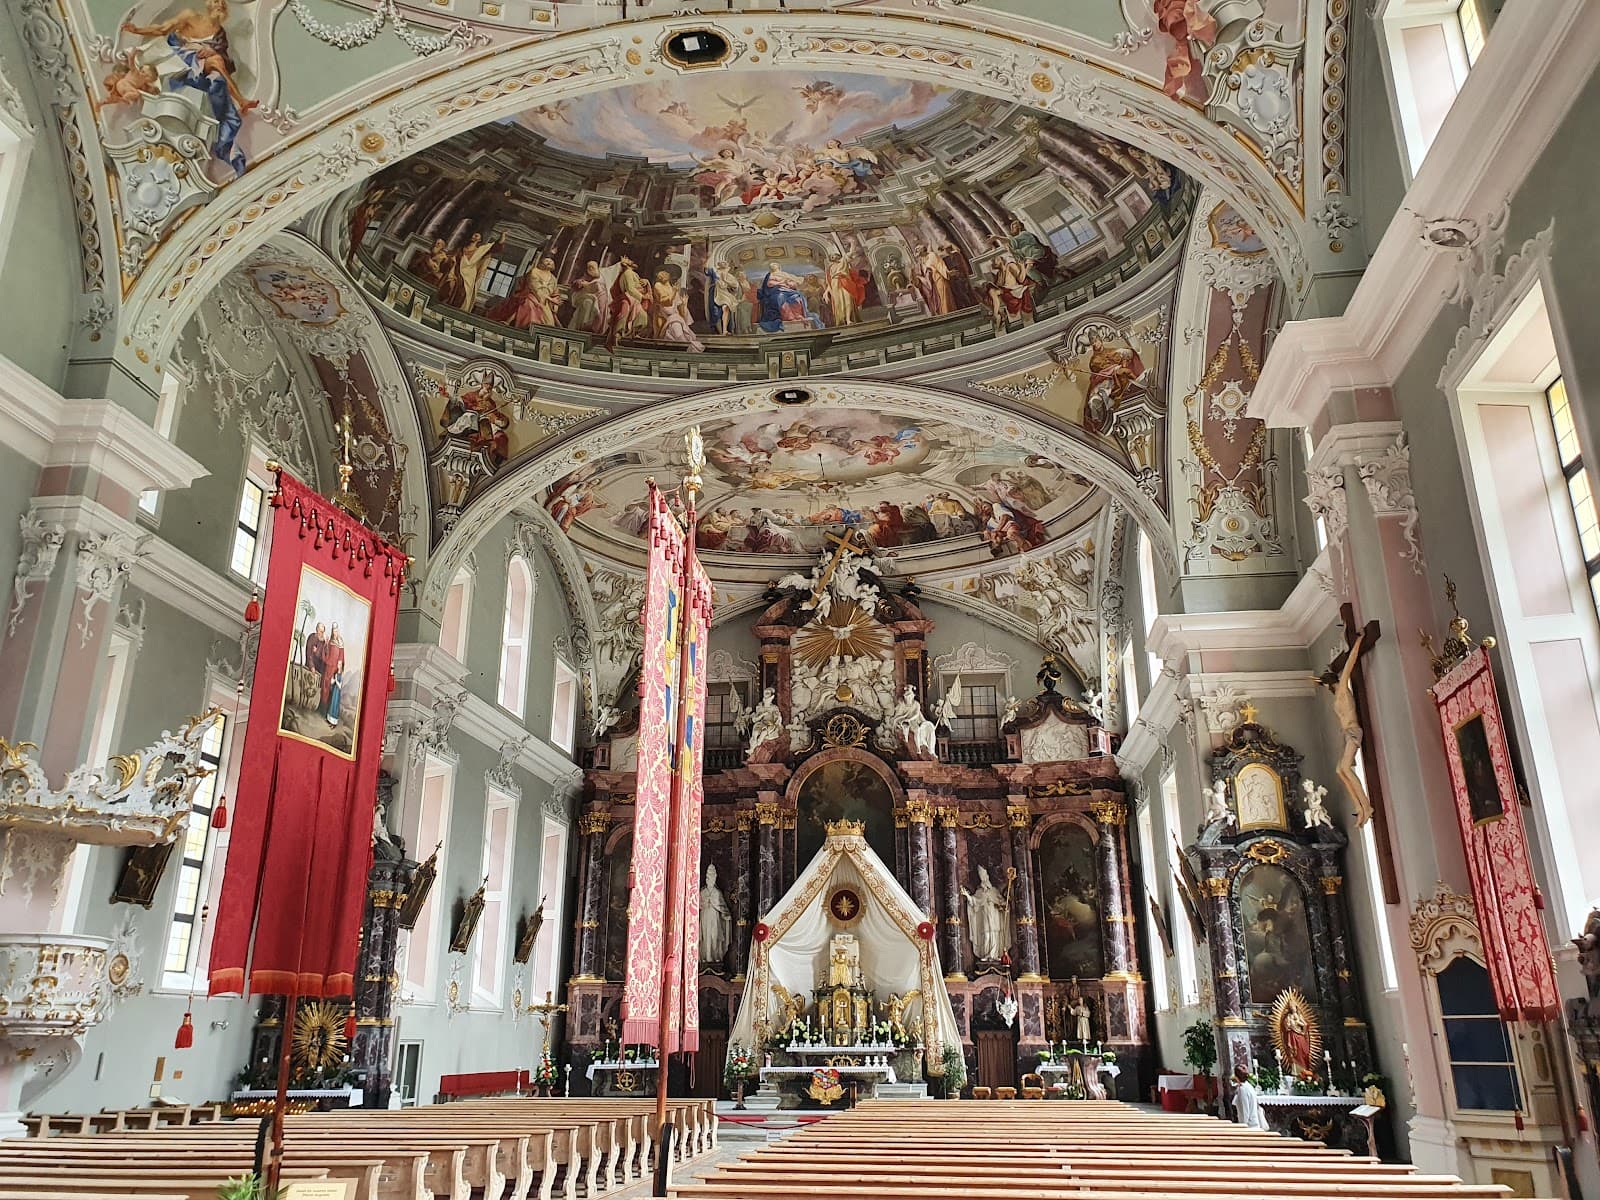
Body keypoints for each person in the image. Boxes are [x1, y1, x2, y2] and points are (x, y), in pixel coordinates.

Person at [121, 0, 258, 176]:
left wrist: (211, 52)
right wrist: (137, 30)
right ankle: (241, 100)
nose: (220, 5)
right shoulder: (190, 16)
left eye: (223, 3)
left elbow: (224, 59)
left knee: (217, 75)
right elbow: (162, 30)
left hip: (200, 69)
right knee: (216, 63)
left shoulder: (220, 34)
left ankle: (226, 141)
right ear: (208, 4)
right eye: (217, 1)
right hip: (178, 59)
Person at [698, 864, 732, 967]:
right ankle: (704, 957)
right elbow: (697, 906)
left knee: (714, 936)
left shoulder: (717, 893)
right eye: (709, 876)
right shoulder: (702, 892)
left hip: (714, 917)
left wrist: (726, 914)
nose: (710, 878)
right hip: (705, 916)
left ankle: (715, 956)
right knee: (705, 936)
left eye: (712, 876)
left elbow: (722, 906)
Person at [322, 624, 346, 725]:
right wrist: (326, 643)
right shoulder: (330, 642)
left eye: (336, 631)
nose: (335, 633)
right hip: (328, 668)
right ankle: (323, 710)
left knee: (333, 694)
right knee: (325, 687)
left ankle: (330, 715)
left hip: (335, 669)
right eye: (333, 631)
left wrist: (339, 665)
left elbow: (341, 657)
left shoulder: (340, 643)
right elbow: (326, 653)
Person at [1232, 1065, 1270, 1130]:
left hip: (1249, 1127)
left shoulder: (1243, 1089)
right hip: (1254, 1124)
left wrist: (1243, 1127)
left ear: (1236, 1077)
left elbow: (1245, 1111)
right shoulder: (1249, 1086)